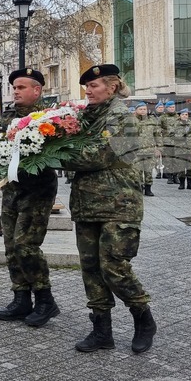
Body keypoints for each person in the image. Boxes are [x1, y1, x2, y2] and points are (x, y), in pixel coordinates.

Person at [62, 64, 156, 355]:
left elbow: (97, 156)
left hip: (119, 205)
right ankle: (102, 330)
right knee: (91, 269)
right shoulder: (87, 116)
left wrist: (53, 152)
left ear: (112, 87)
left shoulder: (120, 117)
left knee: (114, 268)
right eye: (86, 87)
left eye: (94, 86)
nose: (88, 91)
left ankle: (143, 318)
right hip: (88, 204)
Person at [0, 68, 60, 327]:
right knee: (11, 245)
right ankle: (21, 298)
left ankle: (45, 299)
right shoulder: (7, 116)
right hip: (11, 188)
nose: (15, 91)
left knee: (26, 245)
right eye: (14, 88)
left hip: (37, 189)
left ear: (37, 90)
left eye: (21, 87)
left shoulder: (51, 118)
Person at [134, 102, 161, 197]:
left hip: (150, 151)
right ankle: (140, 188)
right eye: (140, 109)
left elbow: (157, 135)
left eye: (144, 109)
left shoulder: (152, 121)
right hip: (136, 151)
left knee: (148, 171)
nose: (143, 111)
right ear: (136, 110)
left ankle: (148, 189)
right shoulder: (131, 121)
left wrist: (159, 148)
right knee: (137, 171)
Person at [174, 108, 191, 191]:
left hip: (190, 149)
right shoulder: (176, 124)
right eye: (183, 114)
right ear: (180, 116)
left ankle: (190, 183)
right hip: (180, 149)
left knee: (190, 167)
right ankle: (182, 183)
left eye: (186, 114)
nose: (184, 116)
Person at [158, 101, 179, 184]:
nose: (172, 108)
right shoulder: (162, 117)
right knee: (168, 160)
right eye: (170, 107)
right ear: (167, 108)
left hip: (177, 142)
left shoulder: (178, 117)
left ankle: (175, 176)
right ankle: (169, 177)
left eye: (173, 107)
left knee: (177, 160)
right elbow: (158, 128)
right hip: (166, 142)